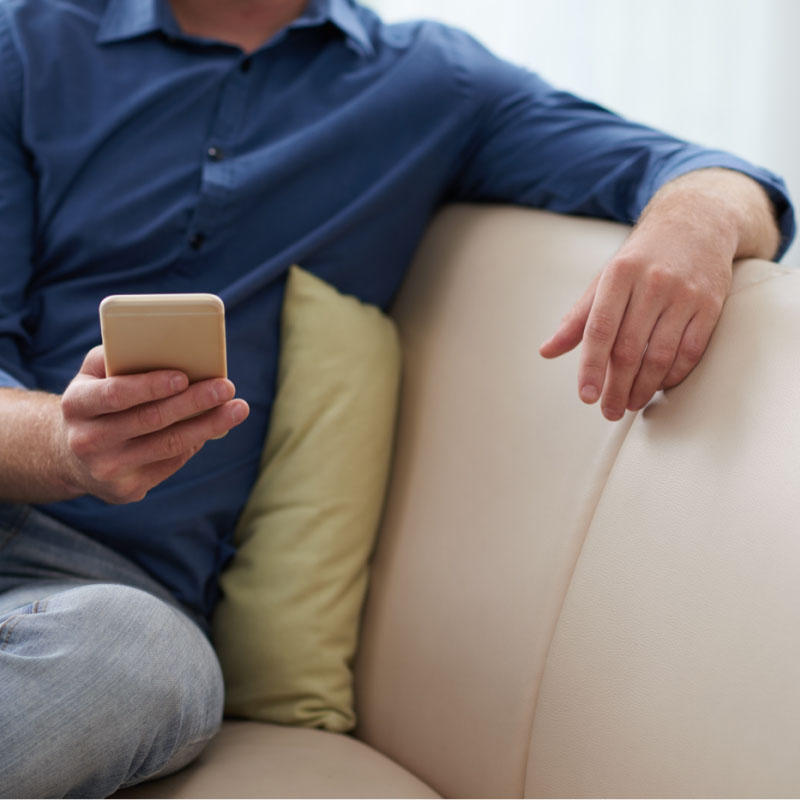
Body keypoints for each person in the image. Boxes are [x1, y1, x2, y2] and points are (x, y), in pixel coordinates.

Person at [0, 0, 793, 796]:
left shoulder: (431, 82)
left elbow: (712, 175)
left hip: (96, 600)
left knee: (144, 660)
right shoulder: (25, 43)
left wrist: (694, 221)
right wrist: (65, 448)